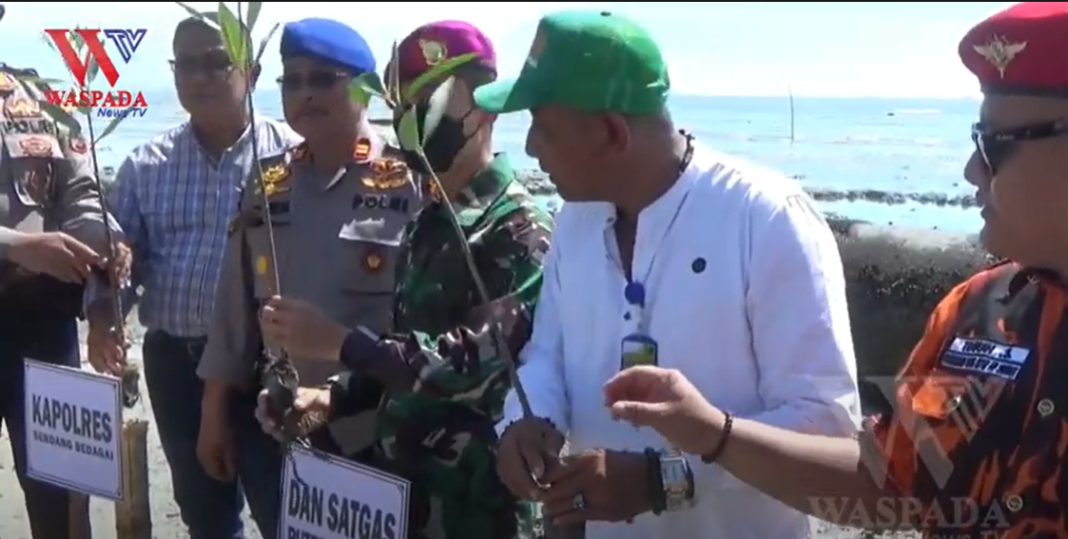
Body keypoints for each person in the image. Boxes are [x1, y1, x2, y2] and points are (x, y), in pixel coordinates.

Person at [602, 3, 1068, 539]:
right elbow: (890, 488)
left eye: (993, 143)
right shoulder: (978, 309)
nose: (970, 170)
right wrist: (712, 432)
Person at [476, 10, 862, 539]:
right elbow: (549, 356)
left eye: (542, 127)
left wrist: (665, 480)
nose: (530, 148)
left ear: (611, 133)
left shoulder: (766, 219)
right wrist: (527, 422)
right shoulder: (575, 221)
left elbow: (827, 430)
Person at [253, 20, 554, 539]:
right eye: (402, 107)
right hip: (400, 492)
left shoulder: (518, 226)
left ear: (482, 108)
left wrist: (340, 343)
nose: (410, 122)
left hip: (480, 506)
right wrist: (333, 398)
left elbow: (475, 362)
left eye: (427, 104)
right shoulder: (428, 221)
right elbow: (402, 346)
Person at [196, 14, 421, 519]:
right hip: (278, 426)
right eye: (292, 80)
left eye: (323, 78)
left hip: (378, 430)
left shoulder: (409, 182)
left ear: (366, 89)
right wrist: (213, 412)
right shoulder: (269, 180)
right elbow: (234, 309)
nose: (305, 93)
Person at [104, 12, 302, 539]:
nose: (199, 77)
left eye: (216, 63)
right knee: (204, 515)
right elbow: (119, 262)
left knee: (281, 509)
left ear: (252, 72)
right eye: (185, 64)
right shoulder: (145, 164)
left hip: (267, 367)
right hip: (175, 362)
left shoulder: (289, 158)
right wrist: (109, 300)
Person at [0, 5, 129, 537]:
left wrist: (105, 264)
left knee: (61, 489)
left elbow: (82, 196)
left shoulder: (39, 100)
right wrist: (13, 246)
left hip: (42, 328)